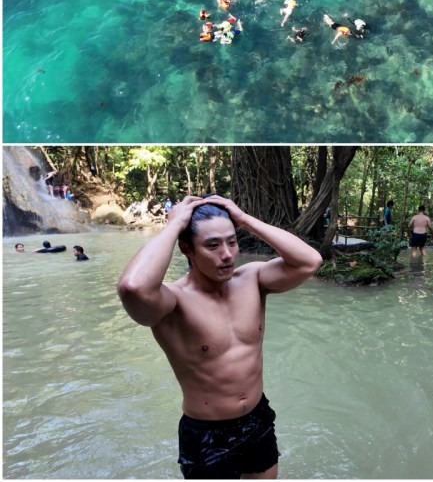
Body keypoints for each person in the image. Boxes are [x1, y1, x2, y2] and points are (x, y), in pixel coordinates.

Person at [117, 195, 322, 479]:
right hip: (207, 434)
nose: (226, 254)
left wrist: (246, 220)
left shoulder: (252, 279)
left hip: (257, 419)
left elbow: (309, 261)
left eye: (232, 241)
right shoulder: (172, 302)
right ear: (187, 248)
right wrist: (174, 224)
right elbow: (133, 287)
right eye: (212, 245)